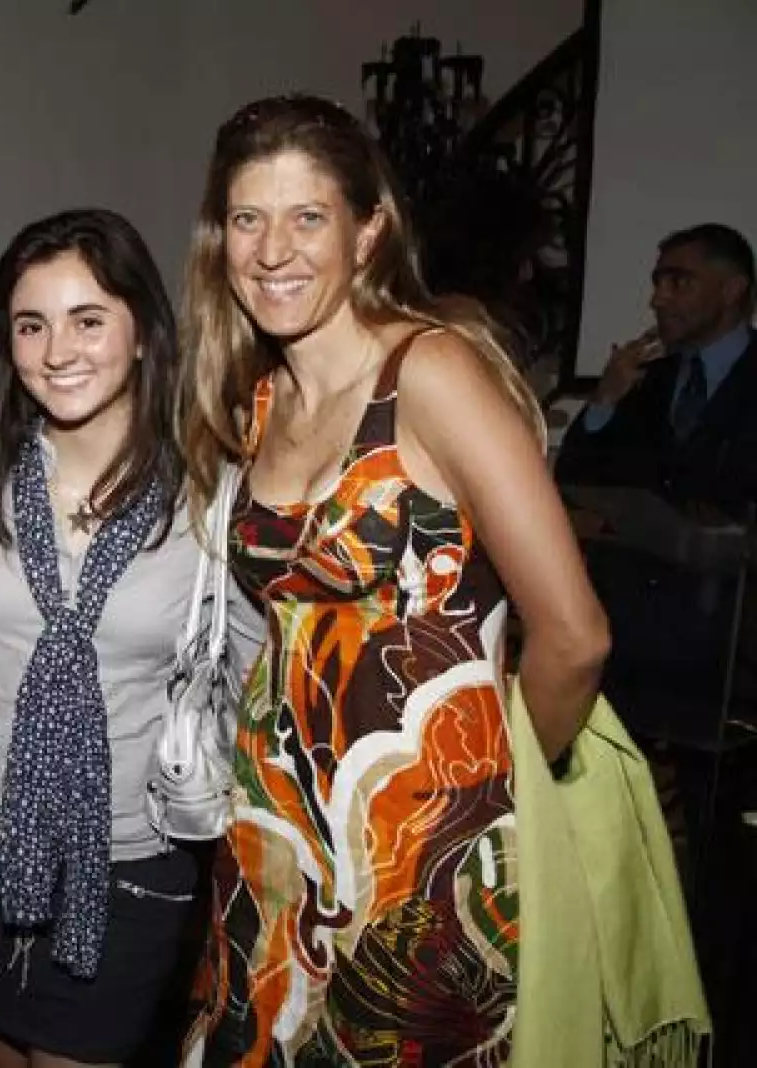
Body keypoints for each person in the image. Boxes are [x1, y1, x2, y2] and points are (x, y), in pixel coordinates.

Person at [176, 94, 611, 1065]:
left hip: (421, 858)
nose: (272, 249)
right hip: (272, 842)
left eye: (307, 217)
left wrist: (484, 823)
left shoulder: (432, 372)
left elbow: (574, 636)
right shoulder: (256, 399)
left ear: (367, 231)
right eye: (247, 218)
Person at [0, 208, 202, 1068]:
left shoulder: (208, 501)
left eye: (89, 320)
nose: (58, 351)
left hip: (131, 854)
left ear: (144, 334)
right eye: (31, 325)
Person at [556, 223, 756, 514]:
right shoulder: (643, 378)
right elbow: (573, 481)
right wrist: (605, 398)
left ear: (731, 290)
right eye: (657, 284)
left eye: (678, 283)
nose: (657, 300)